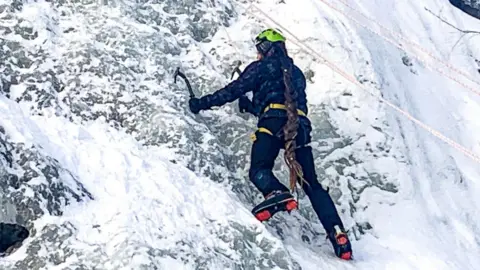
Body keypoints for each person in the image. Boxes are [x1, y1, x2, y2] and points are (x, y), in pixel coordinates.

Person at [188, 28, 352, 260]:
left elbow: (232, 91)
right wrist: (251, 106)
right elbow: (283, 100)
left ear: (265, 47)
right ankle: (338, 235)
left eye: (259, 49)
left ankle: (277, 192)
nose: (257, 54)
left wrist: (201, 103)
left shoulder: (261, 67)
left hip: (272, 122)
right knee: (312, 184)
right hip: (301, 127)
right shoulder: (296, 73)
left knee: (259, 170)